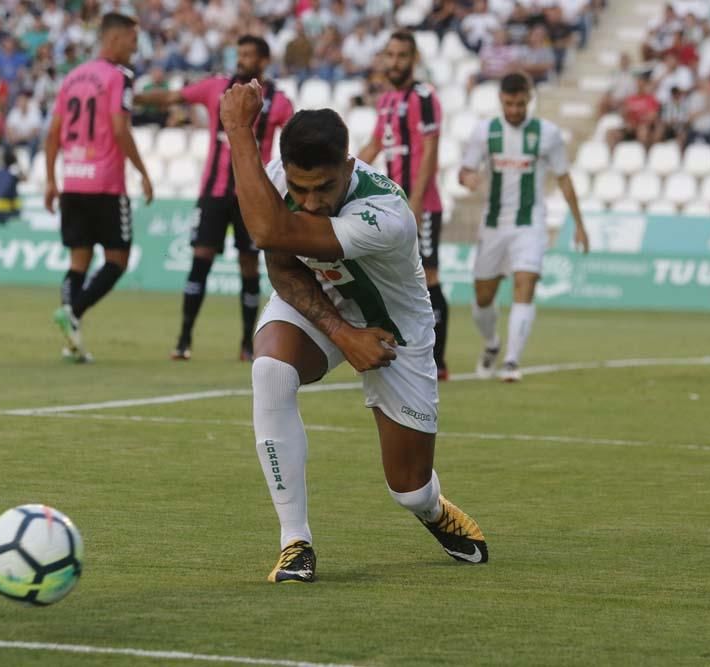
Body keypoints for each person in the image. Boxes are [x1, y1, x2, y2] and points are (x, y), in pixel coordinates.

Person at [220, 84, 489, 583]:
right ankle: (294, 541)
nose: (311, 201)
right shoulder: (278, 180)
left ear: (348, 166)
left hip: (395, 331)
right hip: (326, 306)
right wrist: (341, 332)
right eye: (300, 190)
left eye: (323, 187)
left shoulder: (385, 215)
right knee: (271, 371)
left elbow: (269, 232)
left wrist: (238, 128)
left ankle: (432, 507)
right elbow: (279, 263)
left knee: (407, 489)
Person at [133, 35, 293, 362]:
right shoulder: (216, 87)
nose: (242, 59)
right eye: (240, 53)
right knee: (200, 260)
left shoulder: (278, 100)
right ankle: (184, 339)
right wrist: (133, 98)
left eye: (249, 54)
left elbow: (293, 139)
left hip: (251, 197)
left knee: (249, 266)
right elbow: (174, 97)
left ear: (263, 61)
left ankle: (247, 345)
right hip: (213, 194)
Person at [458, 73, 589, 382]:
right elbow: (464, 170)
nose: (514, 110)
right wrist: (468, 179)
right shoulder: (484, 132)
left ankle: (512, 361)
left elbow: (564, 177)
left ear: (529, 99)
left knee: (525, 284)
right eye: (508, 104)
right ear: (500, 100)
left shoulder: (548, 134)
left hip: (530, 223)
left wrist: (579, 224)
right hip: (493, 225)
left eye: (520, 104)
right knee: (483, 297)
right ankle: (492, 344)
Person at [44, 12, 154, 363]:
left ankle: (71, 339)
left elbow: (53, 133)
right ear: (116, 38)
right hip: (105, 184)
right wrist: (143, 172)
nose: (135, 49)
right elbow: (120, 129)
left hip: (73, 181)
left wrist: (50, 179)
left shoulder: (72, 77)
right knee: (117, 260)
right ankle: (73, 311)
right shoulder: (119, 77)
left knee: (78, 261)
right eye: (132, 42)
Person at [358, 31, 450, 379]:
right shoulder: (386, 100)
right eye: (390, 55)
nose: (394, 62)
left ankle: (437, 360)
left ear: (413, 60)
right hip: (393, 204)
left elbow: (430, 152)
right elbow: (374, 147)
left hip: (420, 204)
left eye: (401, 56)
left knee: (429, 276)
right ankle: (405, 350)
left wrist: (416, 203)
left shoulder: (424, 97)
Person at [0, 147, 24, 226]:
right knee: (17, 200)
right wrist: (17, 163)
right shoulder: (12, 177)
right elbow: (25, 178)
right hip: (3, 211)